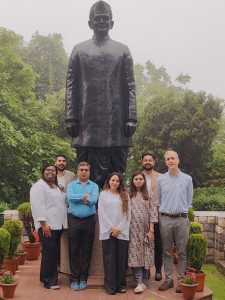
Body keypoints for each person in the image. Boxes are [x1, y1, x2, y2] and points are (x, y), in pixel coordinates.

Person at [65, 0, 137, 188]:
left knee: (117, 174)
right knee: (87, 173)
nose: (102, 22)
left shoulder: (122, 50)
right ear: (90, 23)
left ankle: (118, 208)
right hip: (87, 123)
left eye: (106, 19)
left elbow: (130, 86)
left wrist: (132, 117)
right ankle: (89, 211)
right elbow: (71, 85)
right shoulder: (79, 50)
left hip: (117, 123)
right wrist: (70, 118)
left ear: (112, 23)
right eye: (98, 19)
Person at [157, 151, 193, 293]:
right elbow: (159, 199)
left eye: (173, 158)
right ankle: (169, 280)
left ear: (178, 160)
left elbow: (189, 200)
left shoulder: (187, 179)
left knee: (182, 251)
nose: (171, 161)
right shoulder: (161, 179)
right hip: (165, 219)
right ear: (165, 162)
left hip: (181, 219)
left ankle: (182, 280)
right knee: (166, 251)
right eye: (168, 159)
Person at [30, 164, 68, 290]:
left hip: (58, 225)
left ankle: (44, 276)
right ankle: (49, 281)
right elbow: (37, 205)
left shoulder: (56, 186)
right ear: (43, 172)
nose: (50, 172)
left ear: (56, 173)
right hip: (47, 226)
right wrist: (44, 224)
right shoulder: (39, 186)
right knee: (50, 253)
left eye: (53, 170)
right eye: (48, 170)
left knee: (49, 252)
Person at [66, 162, 99, 291]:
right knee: (73, 250)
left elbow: (94, 200)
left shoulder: (94, 186)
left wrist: (78, 198)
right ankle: (74, 279)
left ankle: (83, 278)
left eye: (86, 170)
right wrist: (85, 197)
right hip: (73, 220)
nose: (84, 172)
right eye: (81, 170)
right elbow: (70, 197)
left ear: (89, 172)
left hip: (89, 221)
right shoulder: (71, 185)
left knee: (86, 250)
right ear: (77, 171)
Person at [98, 172, 131, 295]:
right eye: (113, 180)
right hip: (108, 232)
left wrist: (119, 228)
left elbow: (128, 214)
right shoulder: (103, 195)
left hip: (122, 232)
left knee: (121, 259)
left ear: (120, 182)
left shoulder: (125, 195)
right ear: (109, 181)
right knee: (109, 259)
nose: (115, 183)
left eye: (117, 181)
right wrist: (112, 228)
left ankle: (120, 285)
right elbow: (101, 213)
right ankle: (110, 285)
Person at [128, 171, 158, 294]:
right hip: (132, 231)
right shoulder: (128, 195)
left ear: (144, 181)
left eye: (141, 179)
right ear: (132, 181)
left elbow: (153, 212)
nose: (139, 181)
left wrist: (151, 230)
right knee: (134, 255)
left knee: (146, 255)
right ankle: (139, 281)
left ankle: (144, 280)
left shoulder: (149, 195)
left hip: (146, 230)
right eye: (136, 179)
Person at [142, 152, 163, 281]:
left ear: (154, 162)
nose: (147, 162)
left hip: (158, 214)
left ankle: (158, 270)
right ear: (142, 162)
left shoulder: (161, 177)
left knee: (158, 243)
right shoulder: (138, 177)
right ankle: (146, 270)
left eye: (150, 160)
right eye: (145, 160)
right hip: (143, 216)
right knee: (145, 243)